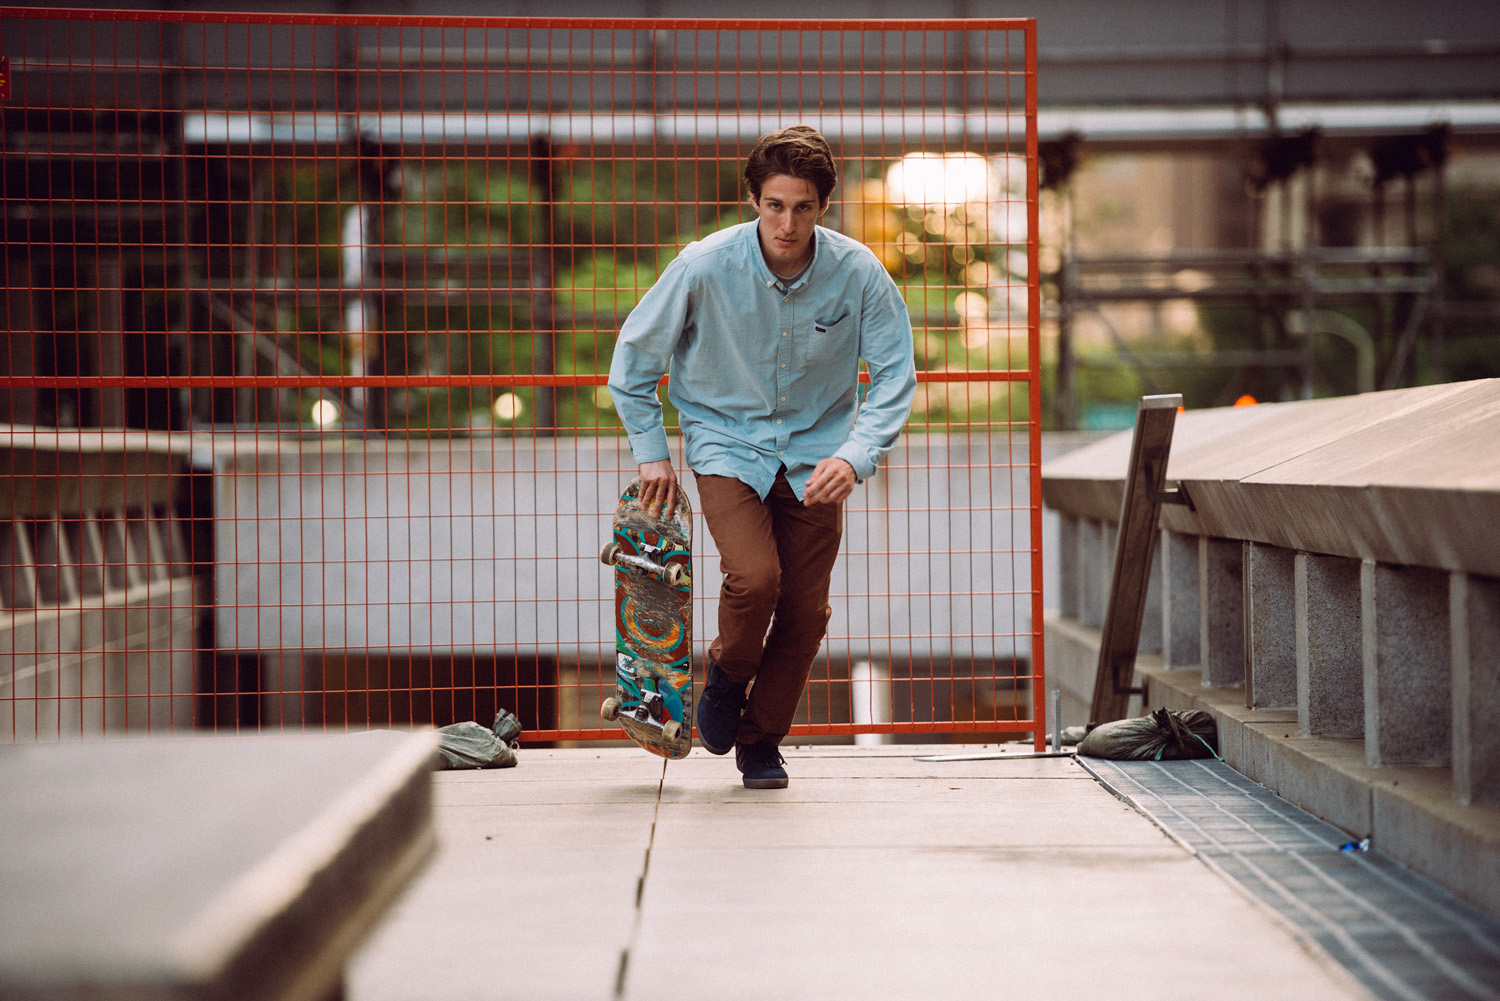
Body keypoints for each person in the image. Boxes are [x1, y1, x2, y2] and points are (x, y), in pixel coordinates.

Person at [608, 125, 916, 788]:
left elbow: (896, 375)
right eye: (775, 205)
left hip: (819, 457)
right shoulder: (704, 265)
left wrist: (857, 455)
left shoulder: (859, 272)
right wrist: (651, 453)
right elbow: (632, 362)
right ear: (754, 200)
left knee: (806, 612)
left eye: (803, 208)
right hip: (726, 442)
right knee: (754, 578)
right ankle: (726, 674)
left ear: (824, 207)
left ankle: (761, 741)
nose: (788, 223)